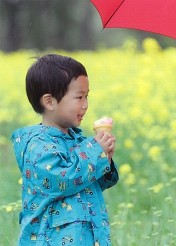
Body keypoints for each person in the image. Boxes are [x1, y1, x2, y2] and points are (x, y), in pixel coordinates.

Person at [11, 54, 119, 245]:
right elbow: (63, 180)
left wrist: (105, 159)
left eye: (87, 96)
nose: (85, 105)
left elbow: (88, 183)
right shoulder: (38, 146)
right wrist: (95, 154)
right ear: (50, 102)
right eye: (79, 97)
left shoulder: (78, 140)